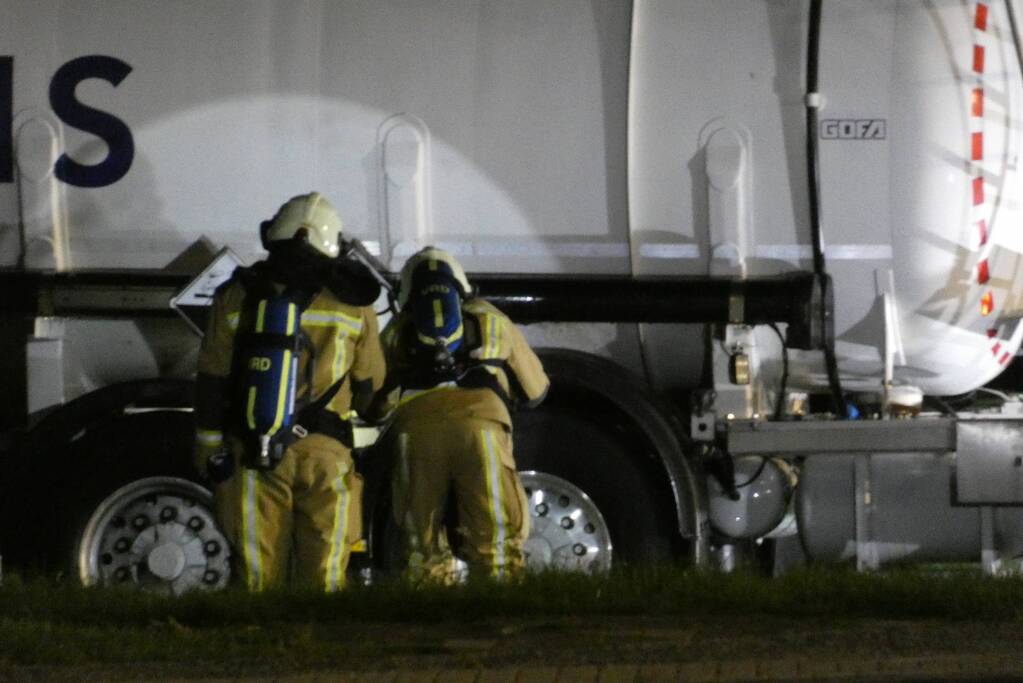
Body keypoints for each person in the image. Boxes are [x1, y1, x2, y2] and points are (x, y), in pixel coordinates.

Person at [192, 192, 385, 591]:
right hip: (326, 457)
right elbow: (371, 387)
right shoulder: (353, 307)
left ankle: (260, 647)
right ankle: (318, 648)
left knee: (258, 580)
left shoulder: (235, 296)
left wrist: (209, 446)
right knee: (327, 576)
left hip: (253, 452)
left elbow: (212, 380)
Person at [374, 247, 549, 582]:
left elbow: (375, 406)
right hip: (481, 430)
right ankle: (503, 626)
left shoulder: (397, 330)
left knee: (421, 553)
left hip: (417, 435)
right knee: (497, 547)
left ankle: (431, 630)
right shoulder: (491, 318)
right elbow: (536, 390)